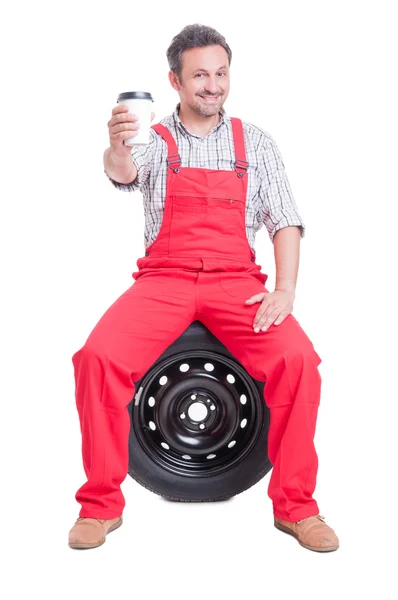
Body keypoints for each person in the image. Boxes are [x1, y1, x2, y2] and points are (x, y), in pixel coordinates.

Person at [69, 23, 339, 553]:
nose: (212, 85)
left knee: (299, 360)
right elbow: (121, 171)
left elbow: (284, 220)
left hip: (236, 281)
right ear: (175, 80)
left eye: (220, 73)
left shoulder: (254, 142)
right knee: (97, 358)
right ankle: (99, 507)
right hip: (164, 280)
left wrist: (284, 291)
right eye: (199, 75)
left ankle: (297, 508)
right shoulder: (150, 137)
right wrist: (117, 145)